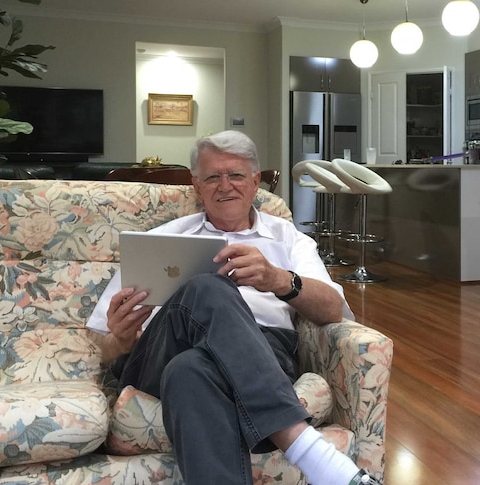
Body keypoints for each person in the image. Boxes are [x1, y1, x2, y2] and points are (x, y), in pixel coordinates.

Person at [86, 130, 380, 485]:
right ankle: (305, 448)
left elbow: (334, 310)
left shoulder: (289, 239)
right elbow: (100, 345)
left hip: (263, 352)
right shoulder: (164, 240)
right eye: (213, 177)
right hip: (158, 352)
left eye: (236, 175)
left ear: (255, 182)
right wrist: (120, 339)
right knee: (207, 286)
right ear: (197, 187)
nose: (225, 186)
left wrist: (278, 279)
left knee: (190, 371)